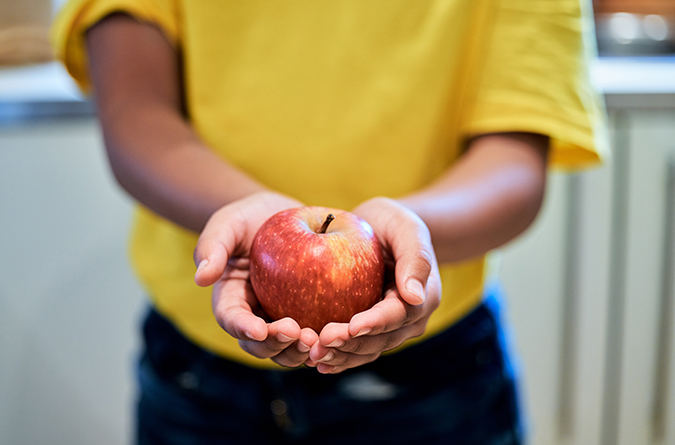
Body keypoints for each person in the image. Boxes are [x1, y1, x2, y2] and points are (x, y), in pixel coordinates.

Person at [52, 0, 607, 443]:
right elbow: (135, 114)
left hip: (432, 378)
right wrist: (263, 222)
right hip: (199, 377)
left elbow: (514, 162)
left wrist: (410, 235)